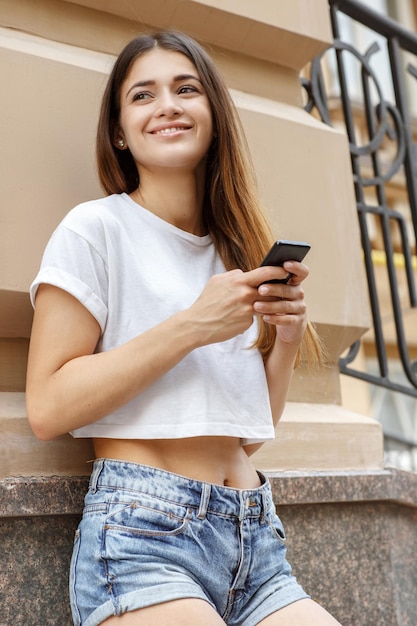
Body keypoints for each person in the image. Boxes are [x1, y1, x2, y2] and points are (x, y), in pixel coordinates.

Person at [26, 30, 342, 626]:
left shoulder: (236, 251)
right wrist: (193, 325)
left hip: (255, 540)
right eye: (142, 95)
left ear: (213, 116)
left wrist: (288, 340)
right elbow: (46, 406)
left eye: (186, 88)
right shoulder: (95, 229)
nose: (167, 105)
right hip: (145, 536)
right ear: (120, 131)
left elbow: (247, 434)